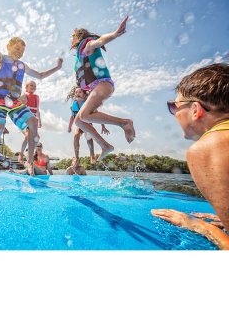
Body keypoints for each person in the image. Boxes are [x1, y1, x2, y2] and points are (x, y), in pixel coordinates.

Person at [0, 5, 63, 176]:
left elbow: (40, 75)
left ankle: (30, 162)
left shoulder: (23, 65)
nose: (20, 52)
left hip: (15, 103)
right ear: (9, 46)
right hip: (0, 101)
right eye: (17, 48)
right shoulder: (1, 58)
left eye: (22, 50)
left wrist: (57, 68)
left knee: (33, 123)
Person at [151, 63, 229, 250]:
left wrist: (197, 225)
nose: (174, 113)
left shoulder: (207, 148)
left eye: (174, 106)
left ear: (196, 110)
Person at [71, 17, 136, 161]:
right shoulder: (81, 54)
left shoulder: (87, 45)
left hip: (103, 84)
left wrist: (114, 34)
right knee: (79, 120)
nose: (71, 39)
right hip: (98, 87)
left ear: (78, 37)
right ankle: (105, 146)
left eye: (72, 36)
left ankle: (124, 122)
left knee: (84, 116)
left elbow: (99, 41)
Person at [67, 86, 110, 164]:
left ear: (84, 94)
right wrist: (69, 126)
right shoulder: (74, 105)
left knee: (89, 139)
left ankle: (92, 155)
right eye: (76, 92)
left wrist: (103, 126)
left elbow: (98, 115)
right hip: (79, 125)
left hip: (88, 125)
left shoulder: (88, 105)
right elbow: (72, 117)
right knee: (76, 136)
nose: (77, 94)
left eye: (80, 92)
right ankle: (76, 157)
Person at [18, 80, 42, 164]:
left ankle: (28, 154)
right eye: (31, 85)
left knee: (36, 138)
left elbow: (37, 110)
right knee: (29, 136)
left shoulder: (36, 97)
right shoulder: (24, 96)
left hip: (33, 120)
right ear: (26, 87)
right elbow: (17, 103)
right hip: (26, 119)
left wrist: (39, 121)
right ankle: (24, 154)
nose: (33, 87)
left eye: (34, 86)